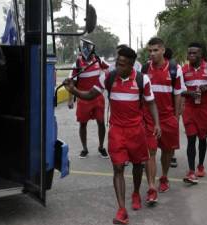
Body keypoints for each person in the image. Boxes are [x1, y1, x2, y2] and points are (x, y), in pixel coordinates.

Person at [63, 47, 161, 224]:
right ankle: (122, 210)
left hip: (136, 131)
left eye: (122, 64)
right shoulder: (108, 77)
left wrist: (157, 124)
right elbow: (90, 95)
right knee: (118, 168)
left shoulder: (141, 79)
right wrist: (74, 91)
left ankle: (136, 193)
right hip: (116, 130)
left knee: (138, 166)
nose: (117, 66)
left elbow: (151, 102)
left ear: (131, 65)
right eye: (117, 62)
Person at [142, 38, 185, 205]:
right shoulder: (144, 69)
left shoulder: (175, 69)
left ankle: (164, 177)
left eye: (155, 50)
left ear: (163, 50)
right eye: (150, 51)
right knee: (150, 153)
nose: (152, 54)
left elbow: (178, 94)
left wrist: (176, 118)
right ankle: (152, 188)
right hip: (149, 119)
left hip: (168, 118)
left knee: (167, 152)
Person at [181, 42, 207, 184]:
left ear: (200, 54)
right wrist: (189, 93)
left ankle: (200, 166)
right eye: (189, 53)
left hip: (205, 109)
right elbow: (179, 90)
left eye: (194, 53)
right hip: (190, 109)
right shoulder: (183, 70)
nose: (191, 55)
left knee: (202, 139)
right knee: (191, 139)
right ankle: (191, 171)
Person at [67, 39, 109, 159]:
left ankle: (101, 147)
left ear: (92, 49)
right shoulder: (77, 64)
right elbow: (71, 83)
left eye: (87, 48)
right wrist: (70, 100)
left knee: (101, 123)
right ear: (80, 49)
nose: (85, 50)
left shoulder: (98, 60)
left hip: (97, 97)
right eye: (83, 48)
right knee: (82, 124)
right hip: (82, 98)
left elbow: (111, 70)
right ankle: (84, 148)